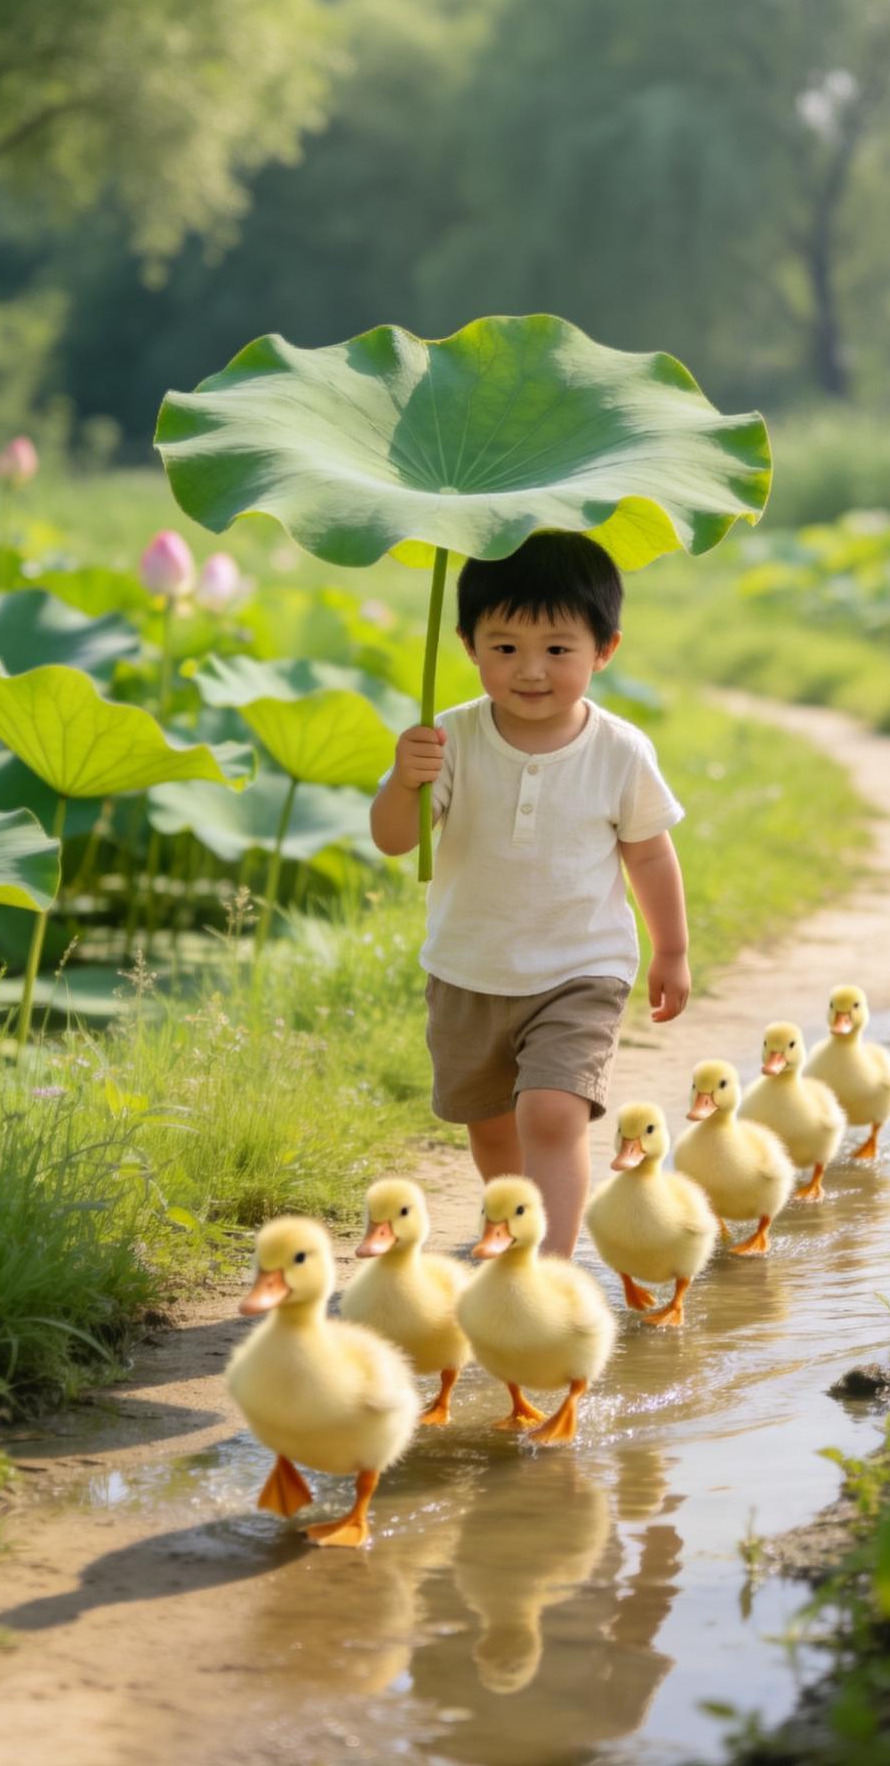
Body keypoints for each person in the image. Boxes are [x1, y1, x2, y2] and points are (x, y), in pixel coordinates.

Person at [370, 531, 690, 1256]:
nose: (531, 671)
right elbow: (393, 838)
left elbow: (648, 853)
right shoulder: (447, 737)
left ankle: (550, 1267)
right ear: (468, 644)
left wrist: (672, 948)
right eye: (505, 647)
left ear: (604, 649)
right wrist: (404, 779)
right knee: (489, 1125)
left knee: (550, 1112)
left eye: (557, 648)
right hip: (467, 969)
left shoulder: (620, 750)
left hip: (581, 969)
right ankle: (512, 1227)